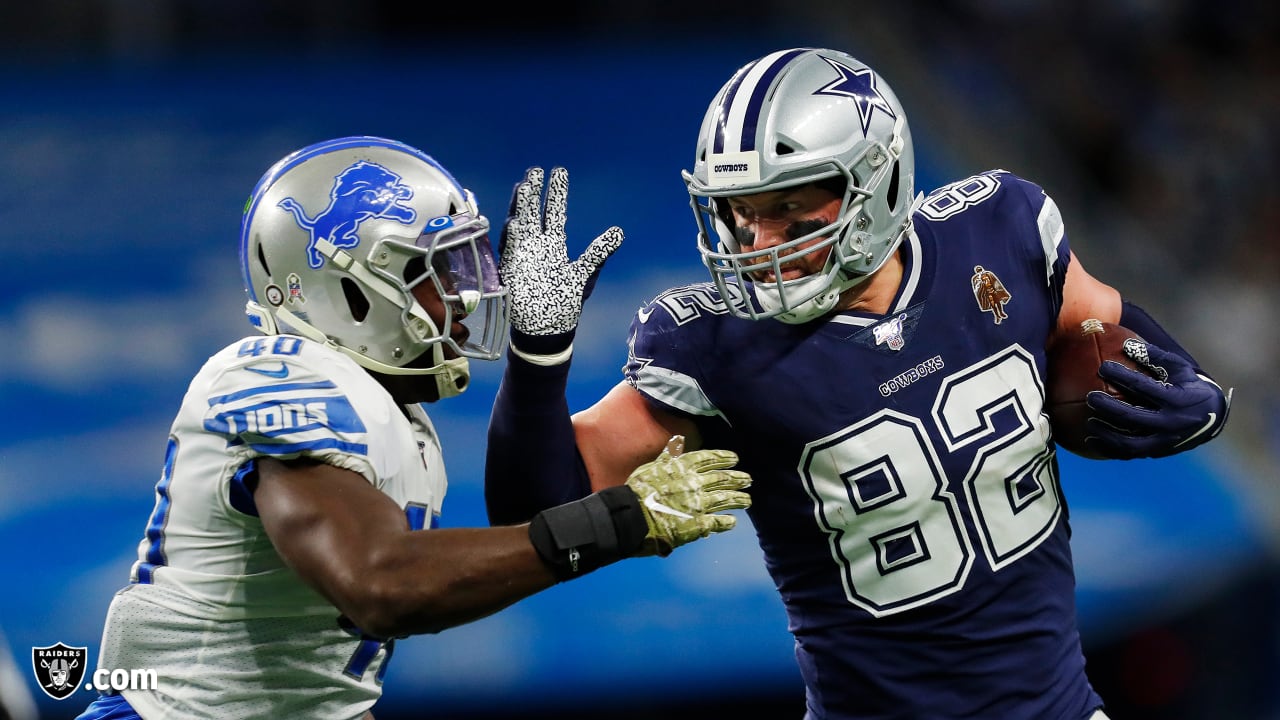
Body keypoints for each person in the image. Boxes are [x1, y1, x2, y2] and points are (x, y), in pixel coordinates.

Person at [484, 48, 1232, 720]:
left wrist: (1189, 388)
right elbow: (536, 506)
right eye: (740, 213)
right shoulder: (714, 347)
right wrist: (537, 360)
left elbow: (1096, 321)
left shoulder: (1000, 230)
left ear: (877, 179)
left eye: (789, 207)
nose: (759, 242)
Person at [74, 136, 751, 720]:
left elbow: (522, 527)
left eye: (466, 266)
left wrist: (539, 359)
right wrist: (621, 520)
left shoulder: (391, 415)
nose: (466, 296)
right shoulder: (281, 377)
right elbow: (382, 586)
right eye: (438, 272)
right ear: (348, 289)